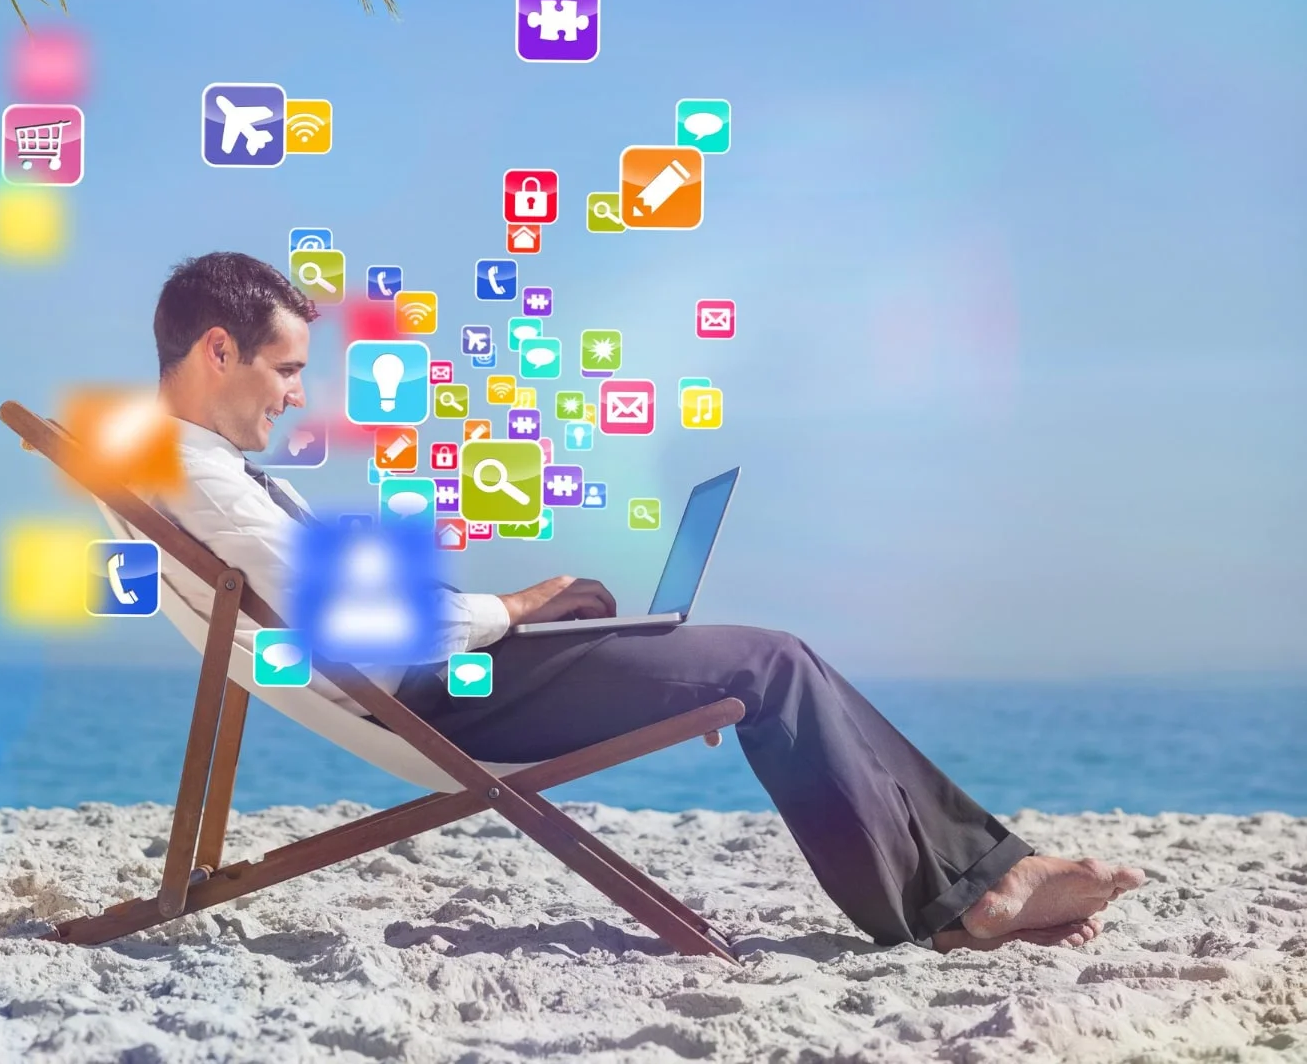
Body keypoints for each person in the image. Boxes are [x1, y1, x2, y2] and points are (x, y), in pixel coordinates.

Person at [152, 251, 1145, 953]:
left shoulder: (199, 475)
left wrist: (541, 617)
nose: (294, 395)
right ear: (218, 352)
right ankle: (956, 901)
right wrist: (505, 610)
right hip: (444, 693)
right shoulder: (204, 483)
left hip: (446, 677)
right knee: (769, 665)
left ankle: (980, 874)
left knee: (664, 628)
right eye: (286, 371)